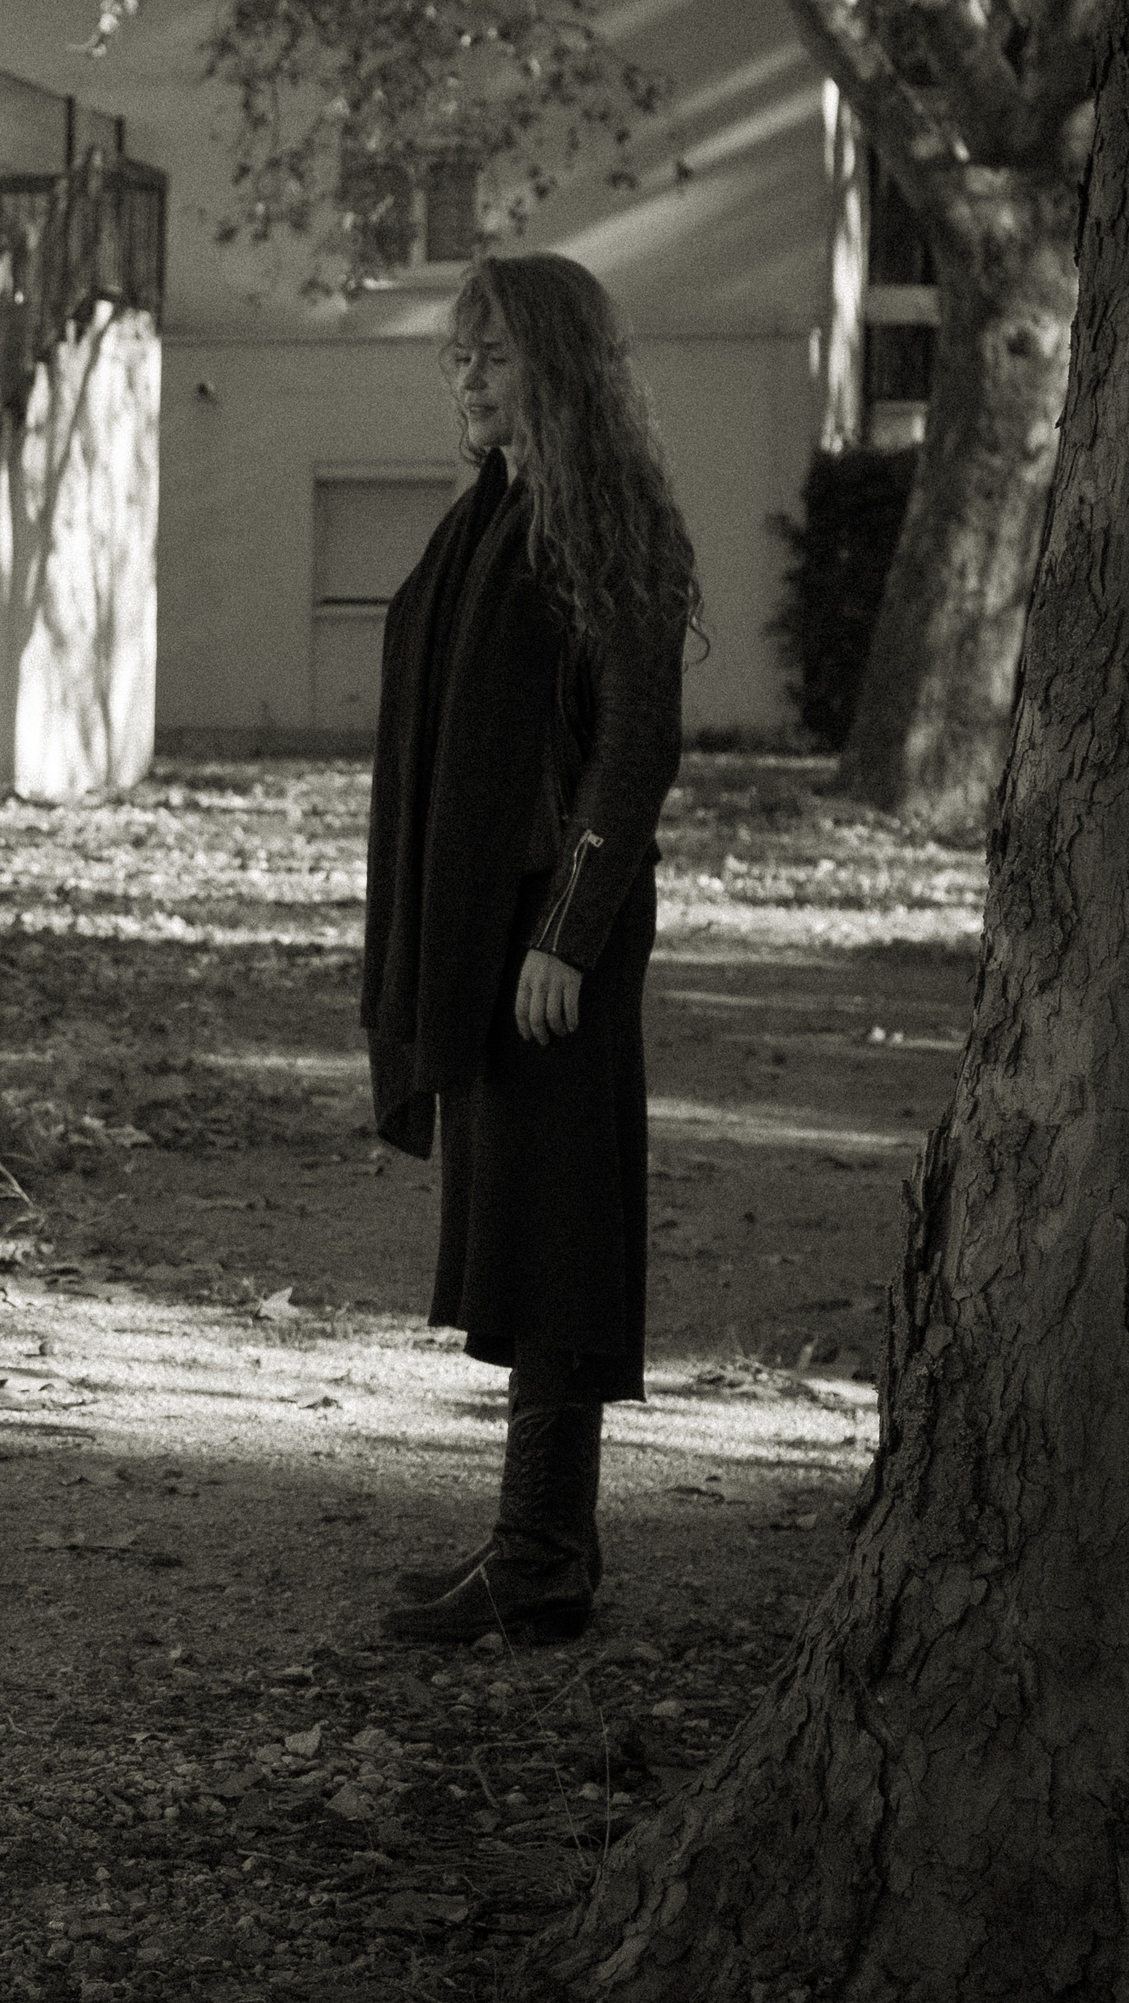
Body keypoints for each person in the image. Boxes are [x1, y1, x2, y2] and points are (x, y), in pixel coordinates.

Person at [360, 252, 699, 1645]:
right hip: (490, 938)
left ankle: (542, 1561)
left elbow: (635, 750)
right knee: (520, 1235)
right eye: (456, 358)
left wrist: (567, 932)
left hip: (555, 942)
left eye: (493, 357)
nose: (467, 379)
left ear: (555, 367)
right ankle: (541, 1548)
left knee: (558, 1236)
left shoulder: (607, 517)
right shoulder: (492, 516)